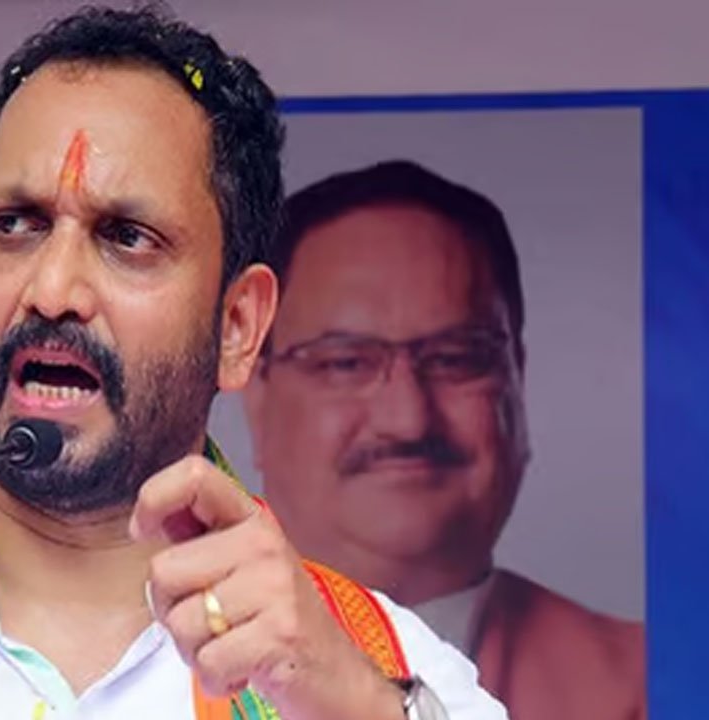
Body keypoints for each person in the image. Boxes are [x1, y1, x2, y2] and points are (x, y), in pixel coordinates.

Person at [0, 7, 506, 718]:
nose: (52, 290)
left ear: (238, 327)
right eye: (18, 226)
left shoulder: (383, 676)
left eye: (126, 237)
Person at [243, 159, 646, 720]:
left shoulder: (648, 683)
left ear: (517, 376)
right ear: (254, 394)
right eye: (346, 362)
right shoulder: (156, 673)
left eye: (456, 359)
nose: (407, 420)